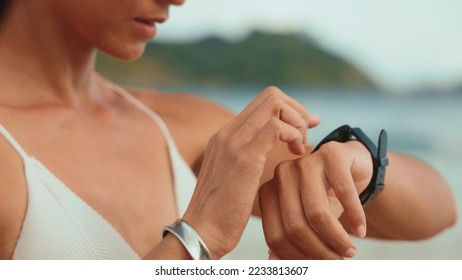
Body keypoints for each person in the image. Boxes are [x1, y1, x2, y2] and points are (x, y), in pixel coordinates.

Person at [0, 0, 456, 260]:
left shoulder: (176, 123)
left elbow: (438, 210)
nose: (178, 0)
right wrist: (198, 237)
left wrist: (359, 164)